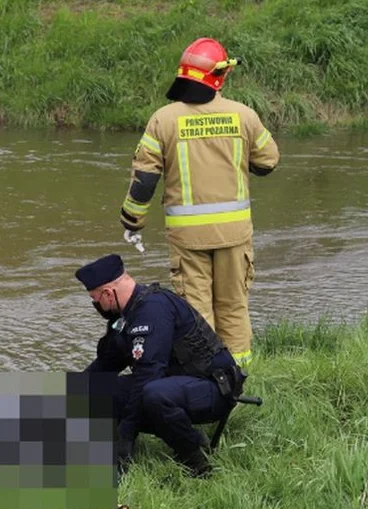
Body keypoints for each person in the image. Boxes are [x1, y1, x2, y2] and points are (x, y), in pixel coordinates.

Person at [117, 37, 280, 367]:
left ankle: (207, 384)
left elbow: (145, 179)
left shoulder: (163, 120)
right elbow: (268, 162)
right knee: (234, 306)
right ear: (218, 77)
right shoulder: (243, 116)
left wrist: (132, 221)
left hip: (188, 239)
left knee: (196, 313)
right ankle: (241, 378)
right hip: (234, 235)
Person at [76, 253, 244, 478]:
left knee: (153, 394)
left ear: (108, 293)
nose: (96, 305)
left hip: (214, 387)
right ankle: (187, 437)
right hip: (177, 383)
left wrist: (127, 431)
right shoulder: (127, 315)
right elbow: (106, 365)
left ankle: (195, 462)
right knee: (105, 389)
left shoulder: (152, 309)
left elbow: (148, 376)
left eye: (96, 299)